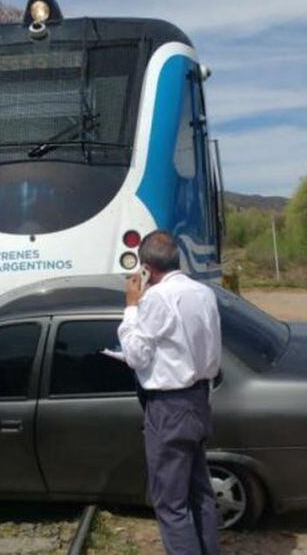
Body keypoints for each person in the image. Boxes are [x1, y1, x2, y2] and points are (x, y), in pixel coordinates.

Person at [117, 231, 221, 555]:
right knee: (199, 492)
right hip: (199, 398)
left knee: (171, 505)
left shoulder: (155, 299)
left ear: (146, 268)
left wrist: (132, 307)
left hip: (169, 407)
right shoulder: (204, 293)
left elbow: (135, 356)